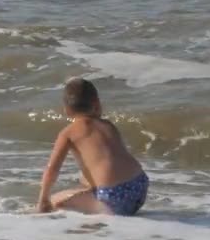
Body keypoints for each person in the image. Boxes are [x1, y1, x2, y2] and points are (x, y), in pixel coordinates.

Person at [36, 77, 149, 216]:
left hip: (113, 198)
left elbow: (52, 170)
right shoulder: (108, 125)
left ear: (66, 110)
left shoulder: (68, 133)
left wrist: (43, 200)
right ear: (97, 103)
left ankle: (47, 206)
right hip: (139, 186)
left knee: (55, 201)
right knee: (85, 181)